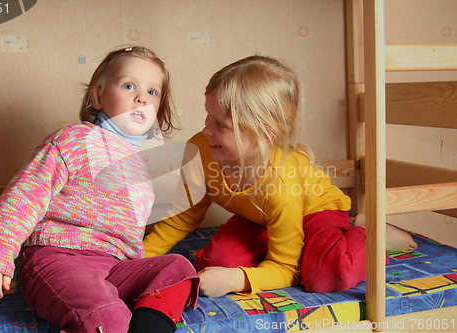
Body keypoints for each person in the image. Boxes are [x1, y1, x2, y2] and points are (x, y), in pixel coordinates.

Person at [143, 55, 417, 298]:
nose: (206, 130)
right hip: (262, 217)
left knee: (326, 273)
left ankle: (370, 233)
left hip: (314, 212)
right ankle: (294, 247)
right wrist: (141, 255)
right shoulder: (202, 150)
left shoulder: (281, 185)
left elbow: (286, 267)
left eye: (220, 124)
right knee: (216, 260)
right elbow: (185, 214)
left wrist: (239, 279)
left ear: (265, 135)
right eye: (207, 115)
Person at [0, 46, 198, 333]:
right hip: (58, 258)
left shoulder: (143, 165)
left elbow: (128, 233)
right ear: (98, 97)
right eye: (129, 86)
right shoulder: (74, 140)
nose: (141, 97)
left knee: (178, 269)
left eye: (152, 92)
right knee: (107, 315)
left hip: (113, 265)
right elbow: (25, 195)